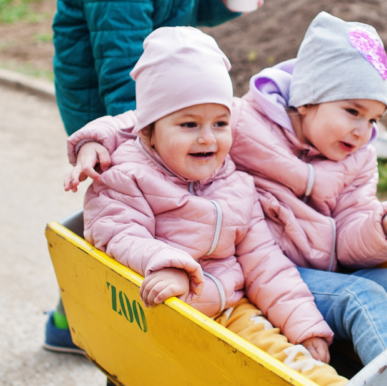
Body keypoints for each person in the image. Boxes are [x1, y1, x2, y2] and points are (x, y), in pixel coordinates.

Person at [68, 12, 387, 367]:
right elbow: (155, 117)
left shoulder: (359, 159)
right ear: (308, 100)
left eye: (374, 119)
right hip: (269, 269)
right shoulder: (240, 122)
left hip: (322, 272)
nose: (363, 130)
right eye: (352, 111)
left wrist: (384, 227)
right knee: (365, 298)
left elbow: (348, 238)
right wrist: (95, 140)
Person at [46, 0, 262, 352]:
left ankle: (83, 315)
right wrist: (127, 140)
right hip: (115, 103)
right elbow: (122, 66)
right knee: (131, 208)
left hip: (162, 95)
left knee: (156, 208)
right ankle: (85, 319)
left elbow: (179, 5)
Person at [83, 27, 346, 386]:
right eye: (189, 124)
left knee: (296, 369)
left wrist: (304, 324)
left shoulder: (236, 185)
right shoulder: (127, 175)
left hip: (232, 310)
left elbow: (265, 264)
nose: (207, 137)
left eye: (220, 123)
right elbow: (116, 232)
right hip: (162, 316)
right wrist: (168, 265)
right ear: (148, 132)